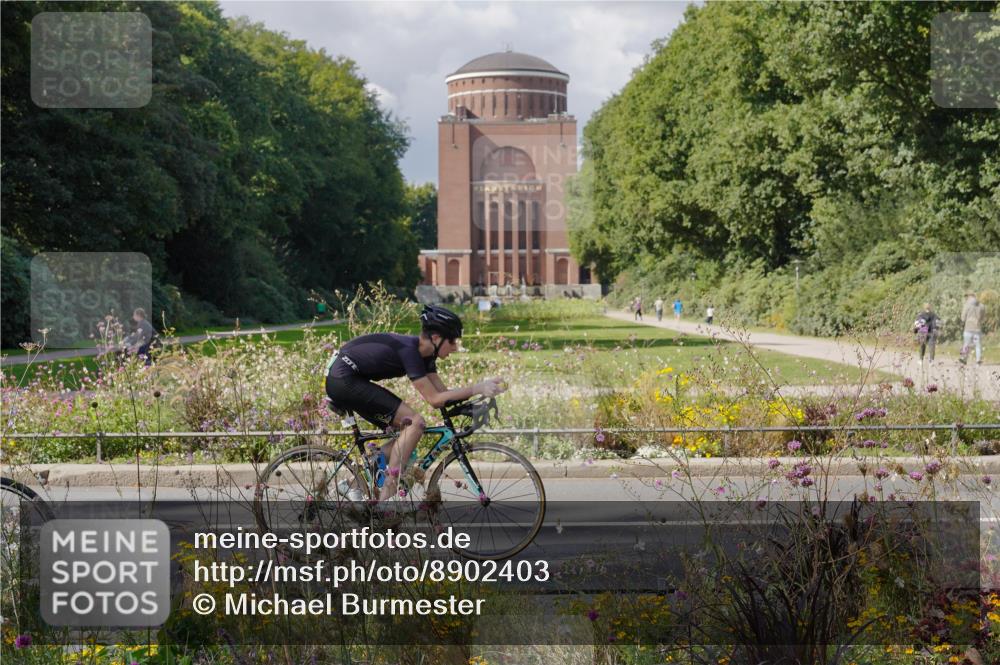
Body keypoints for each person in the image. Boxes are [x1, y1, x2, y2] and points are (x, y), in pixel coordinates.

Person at [324, 305, 507, 501]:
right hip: (343, 377)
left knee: (406, 445)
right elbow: (435, 400)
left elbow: (443, 395)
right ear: (436, 338)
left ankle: (354, 484)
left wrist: (474, 399)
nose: (455, 347)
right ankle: (386, 494)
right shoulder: (410, 351)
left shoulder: (426, 356)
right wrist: (477, 388)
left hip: (347, 376)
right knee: (414, 423)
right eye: (452, 340)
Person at [959, 292, 985, 365]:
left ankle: (964, 358)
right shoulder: (982, 306)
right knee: (978, 345)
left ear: (970, 296)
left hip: (968, 328)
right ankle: (978, 360)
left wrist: (963, 321)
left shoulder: (967, 305)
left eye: (967, 296)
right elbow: (983, 317)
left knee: (966, 344)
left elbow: (963, 317)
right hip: (977, 328)